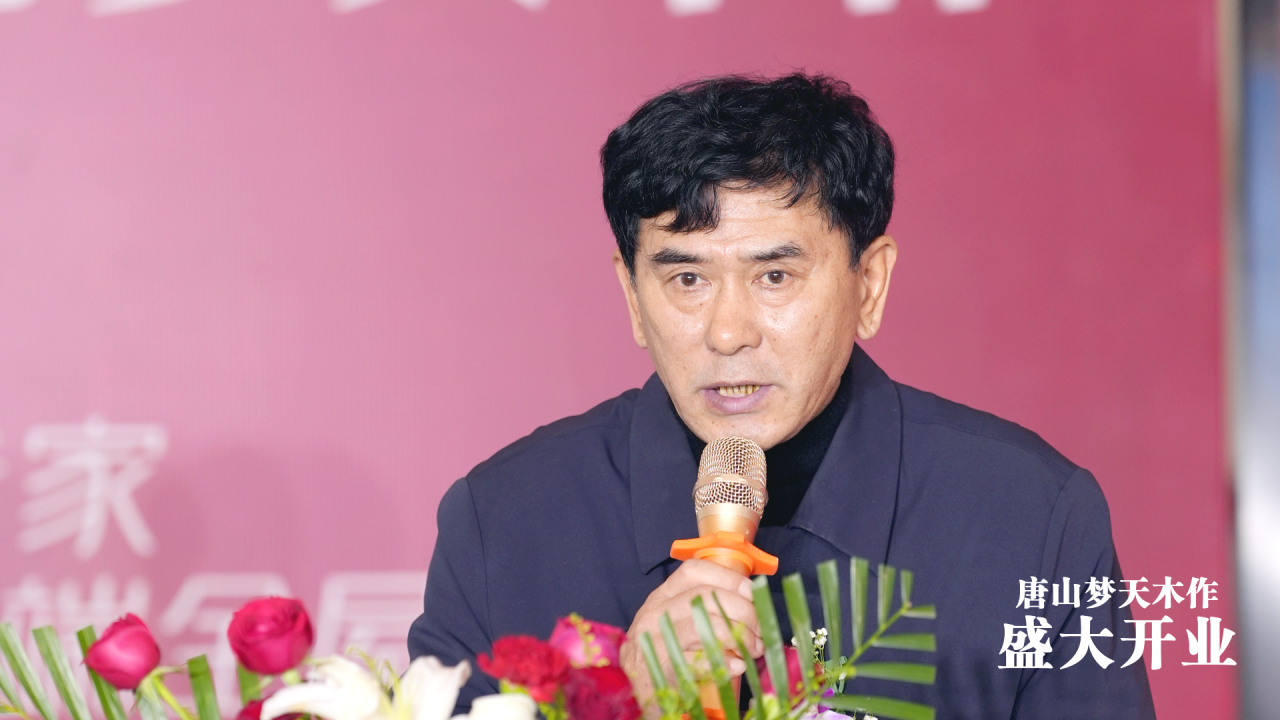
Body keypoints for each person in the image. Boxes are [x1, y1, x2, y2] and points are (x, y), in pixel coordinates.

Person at [408, 73, 1156, 718]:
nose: (728, 333)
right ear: (632, 297)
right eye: (687, 279)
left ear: (870, 285)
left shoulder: (1028, 517)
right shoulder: (504, 523)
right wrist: (623, 705)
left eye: (774, 276)